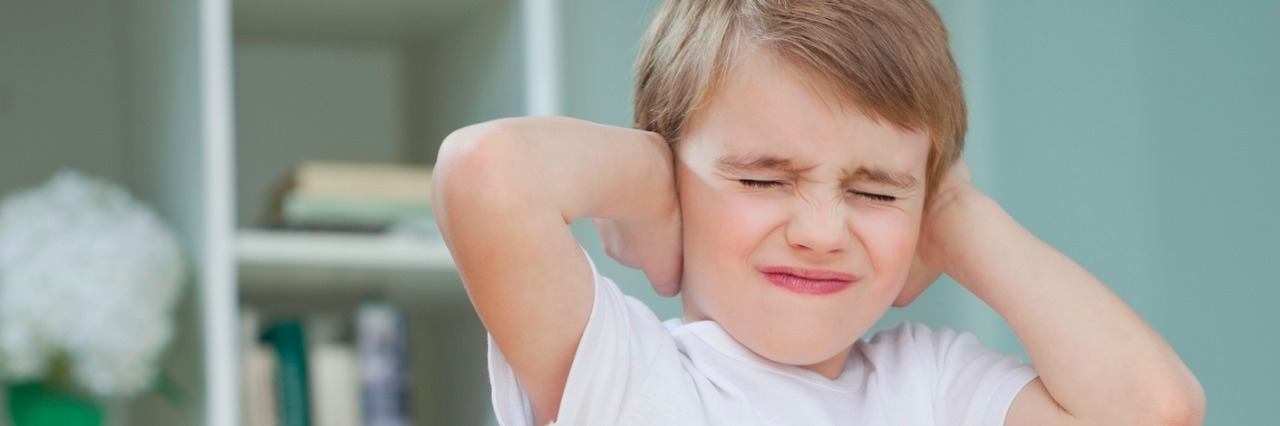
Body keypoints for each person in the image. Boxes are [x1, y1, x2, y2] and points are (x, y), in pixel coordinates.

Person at [432, 0, 1205, 424]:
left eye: (875, 193)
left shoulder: (930, 385)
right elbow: (487, 173)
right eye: (764, 181)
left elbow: (1153, 411)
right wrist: (646, 184)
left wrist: (960, 212)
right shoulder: (629, 376)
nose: (821, 232)